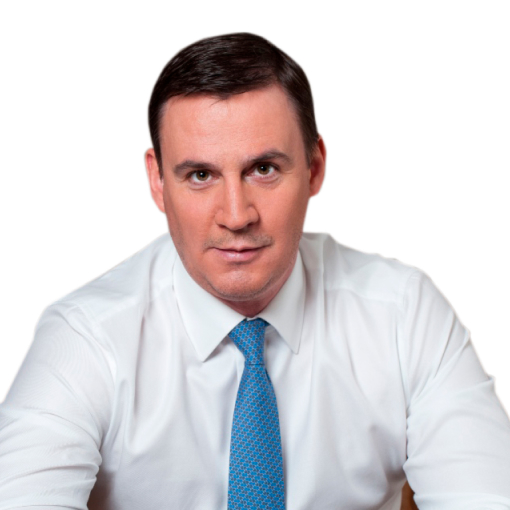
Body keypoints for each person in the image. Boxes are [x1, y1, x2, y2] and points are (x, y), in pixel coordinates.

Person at [0, 32, 509, 510]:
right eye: (200, 175)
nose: (236, 215)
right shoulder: (87, 341)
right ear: (157, 181)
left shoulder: (404, 316)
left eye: (263, 169)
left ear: (313, 167)